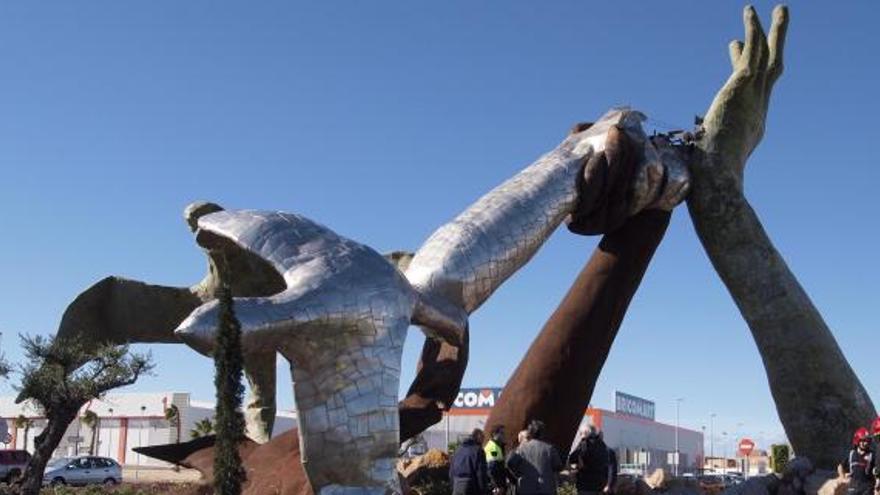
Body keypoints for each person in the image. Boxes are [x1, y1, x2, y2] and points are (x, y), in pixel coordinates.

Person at [507, 420, 564, 495]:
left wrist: (518, 474)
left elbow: (510, 462)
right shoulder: (549, 449)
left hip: (526, 489)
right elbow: (558, 466)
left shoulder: (521, 448)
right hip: (546, 489)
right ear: (542, 433)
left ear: (530, 433)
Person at [568, 426, 615, 495]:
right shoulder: (602, 445)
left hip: (586, 484)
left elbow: (572, 458)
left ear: (586, 433)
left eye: (581, 433)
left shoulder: (584, 444)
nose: (580, 435)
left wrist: (579, 462)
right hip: (599, 484)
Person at [450, 429, 490, 495]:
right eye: (483, 437)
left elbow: (451, 471)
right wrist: (483, 491)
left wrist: (453, 487)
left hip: (456, 486)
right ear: (478, 436)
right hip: (471, 488)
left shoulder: (458, 450)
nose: (483, 440)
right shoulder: (478, 451)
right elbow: (481, 474)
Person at [841, 427, 876, 495]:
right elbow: (840, 466)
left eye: (867, 441)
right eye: (863, 440)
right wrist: (843, 478)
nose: (866, 443)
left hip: (867, 489)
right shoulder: (851, 454)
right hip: (852, 488)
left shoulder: (872, 455)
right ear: (857, 440)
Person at [484, 426, 511, 494]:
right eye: (501, 433)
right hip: (496, 488)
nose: (504, 435)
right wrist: (497, 486)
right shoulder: (493, 447)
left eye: (504, 433)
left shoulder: (498, 447)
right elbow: (492, 469)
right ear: (494, 434)